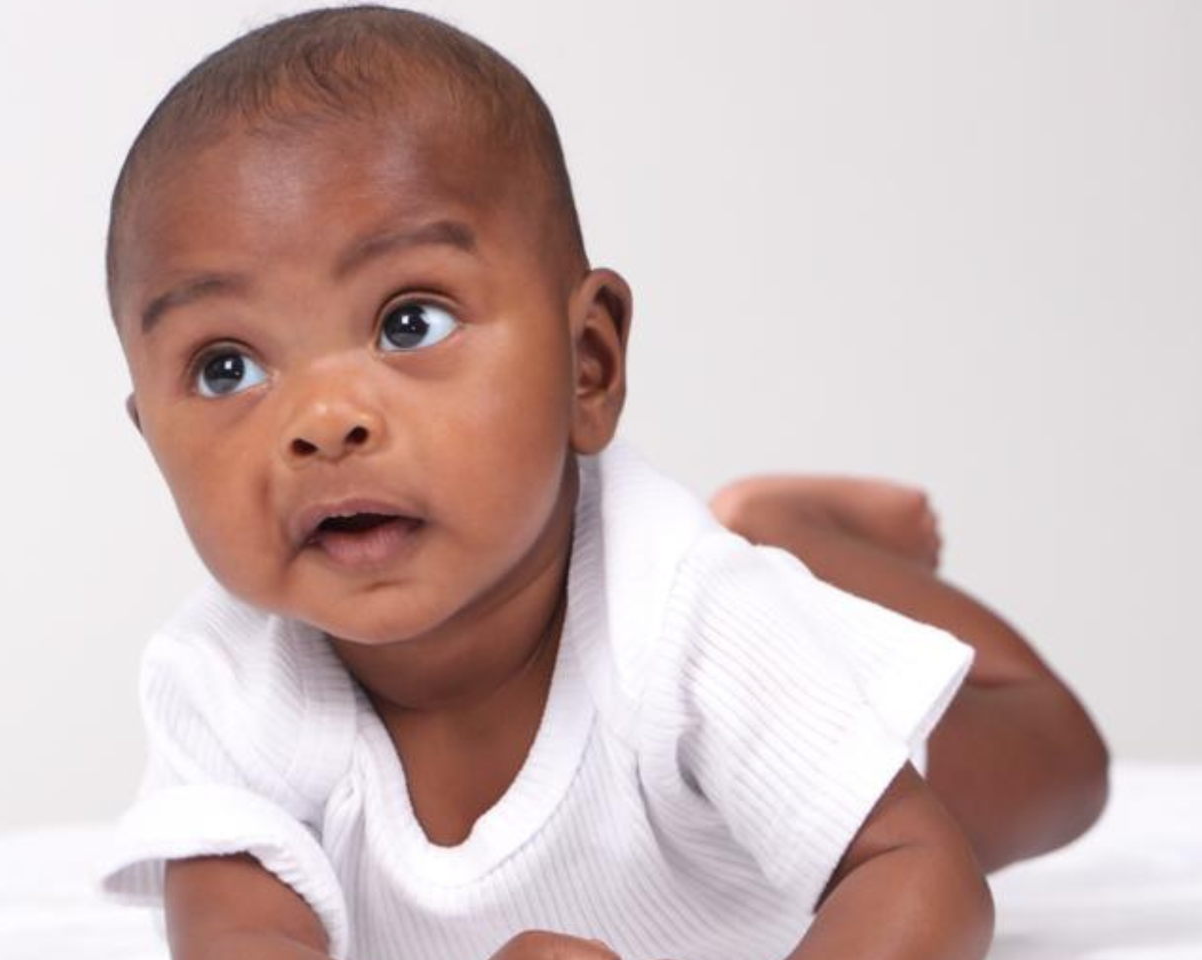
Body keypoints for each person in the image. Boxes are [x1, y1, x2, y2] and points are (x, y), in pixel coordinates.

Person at [95, 7, 1109, 960]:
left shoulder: (688, 622)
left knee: (1055, 768)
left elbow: (917, 868)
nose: (322, 422)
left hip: (786, 665)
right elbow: (241, 933)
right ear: (153, 442)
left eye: (410, 322)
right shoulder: (223, 679)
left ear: (588, 365)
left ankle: (791, 535)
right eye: (226, 366)